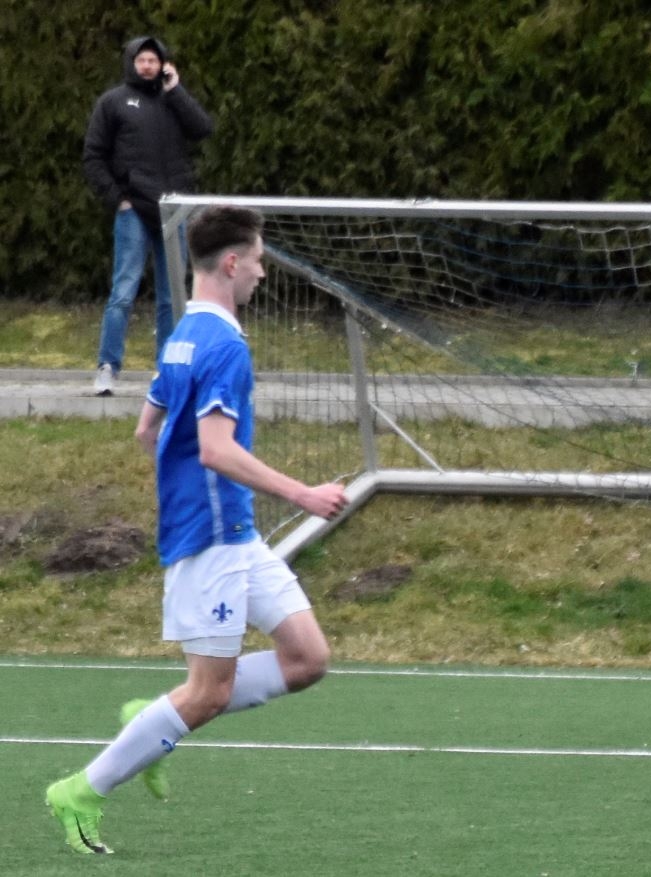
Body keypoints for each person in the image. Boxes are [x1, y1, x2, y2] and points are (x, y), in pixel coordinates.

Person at [44, 205, 349, 855]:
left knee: (307, 657)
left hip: (233, 532)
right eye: (259, 261)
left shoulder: (184, 333)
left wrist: (178, 475)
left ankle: (159, 716)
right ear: (232, 263)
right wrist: (303, 494)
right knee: (208, 693)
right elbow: (214, 449)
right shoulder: (226, 346)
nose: (263, 273)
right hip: (209, 539)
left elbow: (147, 426)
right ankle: (81, 790)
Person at [83, 35, 214, 396]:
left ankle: (168, 372)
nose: (147, 66)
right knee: (123, 292)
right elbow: (93, 156)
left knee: (172, 297)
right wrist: (118, 199)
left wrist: (176, 90)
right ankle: (108, 366)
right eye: (141, 60)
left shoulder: (172, 99)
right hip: (134, 210)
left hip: (173, 210)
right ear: (131, 62)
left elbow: (203, 128)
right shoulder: (113, 102)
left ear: (162, 64)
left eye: (153, 61)